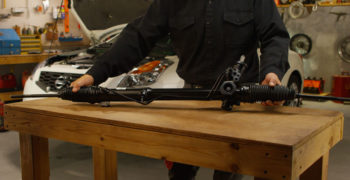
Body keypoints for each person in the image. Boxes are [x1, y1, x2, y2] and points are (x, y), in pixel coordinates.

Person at [71, 0, 290, 179]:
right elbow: (138, 36)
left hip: (239, 101)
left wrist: (271, 73)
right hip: (191, 102)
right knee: (181, 172)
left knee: (230, 172)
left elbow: (274, 36)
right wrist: (95, 74)